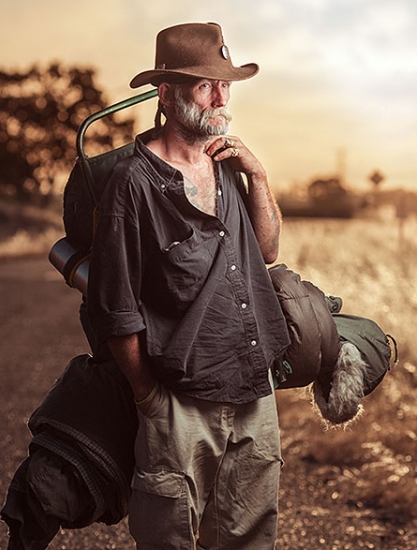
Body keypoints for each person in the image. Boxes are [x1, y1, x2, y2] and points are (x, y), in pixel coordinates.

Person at [87, 22, 291, 549]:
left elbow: (268, 251)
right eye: (206, 85)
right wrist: (148, 398)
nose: (222, 96)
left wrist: (259, 177)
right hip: (180, 403)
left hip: (254, 389)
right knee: (169, 539)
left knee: (248, 539)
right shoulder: (131, 186)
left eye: (225, 84)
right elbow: (116, 309)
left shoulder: (227, 165)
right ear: (167, 94)